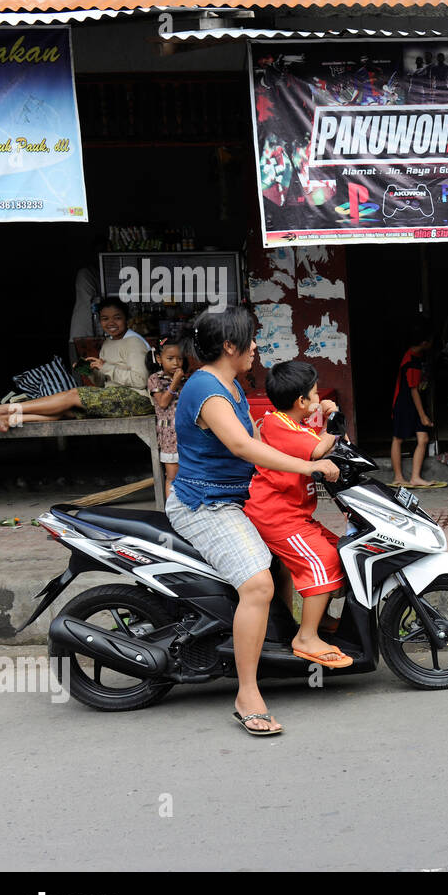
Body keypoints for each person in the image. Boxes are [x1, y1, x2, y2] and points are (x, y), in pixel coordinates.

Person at [166, 307, 339, 736]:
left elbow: (266, 435)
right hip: (206, 505)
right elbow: (243, 446)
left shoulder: (231, 384)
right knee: (258, 584)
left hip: (238, 497)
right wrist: (308, 468)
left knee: (285, 551)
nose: (256, 347)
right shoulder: (207, 389)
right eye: (251, 339)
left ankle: (284, 635)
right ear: (230, 346)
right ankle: (247, 693)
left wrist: (311, 439)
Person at [243, 361, 351, 670]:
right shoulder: (277, 424)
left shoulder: (290, 423)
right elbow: (318, 450)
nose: (318, 398)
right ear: (300, 402)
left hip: (293, 514)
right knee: (325, 561)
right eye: (315, 394)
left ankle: (322, 619)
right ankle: (305, 637)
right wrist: (333, 417)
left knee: (338, 551)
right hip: (277, 517)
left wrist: (327, 418)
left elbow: (311, 442)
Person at [0, 297, 152, 432]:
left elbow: (140, 380)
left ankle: (4, 409)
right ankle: (8, 420)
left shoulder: (133, 342)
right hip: (113, 398)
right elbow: (102, 383)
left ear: (126, 319)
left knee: (72, 395)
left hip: (136, 400)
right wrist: (91, 371)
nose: (111, 323)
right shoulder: (108, 343)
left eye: (117, 318)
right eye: (105, 319)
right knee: (61, 410)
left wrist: (106, 367)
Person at [389, 330, 444, 488]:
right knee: (398, 439)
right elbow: (413, 390)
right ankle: (398, 477)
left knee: (423, 439)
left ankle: (415, 478)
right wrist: (423, 416)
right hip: (404, 404)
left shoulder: (417, 356)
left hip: (415, 403)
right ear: (424, 343)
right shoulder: (411, 361)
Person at [147, 338, 187, 497]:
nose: (176, 363)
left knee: (188, 474)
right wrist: (175, 383)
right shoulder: (154, 379)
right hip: (169, 435)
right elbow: (163, 402)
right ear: (159, 359)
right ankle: (171, 513)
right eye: (170, 359)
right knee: (172, 476)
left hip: (186, 433)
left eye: (180, 358)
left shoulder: (187, 379)